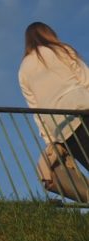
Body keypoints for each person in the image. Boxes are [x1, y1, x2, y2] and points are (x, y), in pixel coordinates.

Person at [19, 22, 89, 178]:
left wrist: (51, 141)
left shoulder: (23, 69)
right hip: (82, 108)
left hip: (60, 127)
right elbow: (86, 80)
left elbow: (35, 109)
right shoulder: (61, 50)